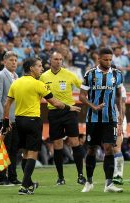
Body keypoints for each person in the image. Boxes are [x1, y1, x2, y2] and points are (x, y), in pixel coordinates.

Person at [1, 57, 80, 195]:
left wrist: (6, 122)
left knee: (25, 153)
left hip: (18, 121)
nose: (42, 69)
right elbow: (55, 103)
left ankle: (28, 183)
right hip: (33, 121)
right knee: (32, 154)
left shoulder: (16, 83)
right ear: (31, 68)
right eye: (38, 66)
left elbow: (6, 104)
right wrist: (69, 107)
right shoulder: (38, 84)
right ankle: (24, 187)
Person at [80, 47, 124, 193]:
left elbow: (119, 96)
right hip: (93, 119)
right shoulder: (90, 74)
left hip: (110, 118)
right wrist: (93, 106)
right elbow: (81, 95)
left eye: (110, 59)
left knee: (109, 148)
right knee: (92, 149)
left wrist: (120, 116)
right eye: (105, 59)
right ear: (98, 59)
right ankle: (89, 182)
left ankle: (109, 184)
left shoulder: (117, 74)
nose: (108, 62)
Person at [39, 51, 86, 185]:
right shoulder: (43, 77)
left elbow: (82, 86)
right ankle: (60, 177)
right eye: (56, 59)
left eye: (60, 59)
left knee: (74, 142)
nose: (58, 61)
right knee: (57, 144)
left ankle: (80, 175)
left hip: (70, 112)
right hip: (54, 113)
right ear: (50, 61)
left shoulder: (69, 74)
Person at [0, 51, 21, 185]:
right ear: (4, 62)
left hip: (16, 119)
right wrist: (5, 118)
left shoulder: (17, 77)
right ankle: (2, 178)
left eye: (15, 60)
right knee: (3, 148)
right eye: (11, 60)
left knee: (14, 149)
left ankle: (13, 177)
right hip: (4, 119)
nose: (14, 62)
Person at [113, 84, 127, 185]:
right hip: (106, 119)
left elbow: (122, 103)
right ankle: (111, 174)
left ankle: (118, 174)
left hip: (118, 119)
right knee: (108, 148)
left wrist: (120, 121)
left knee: (116, 147)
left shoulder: (120, 87)